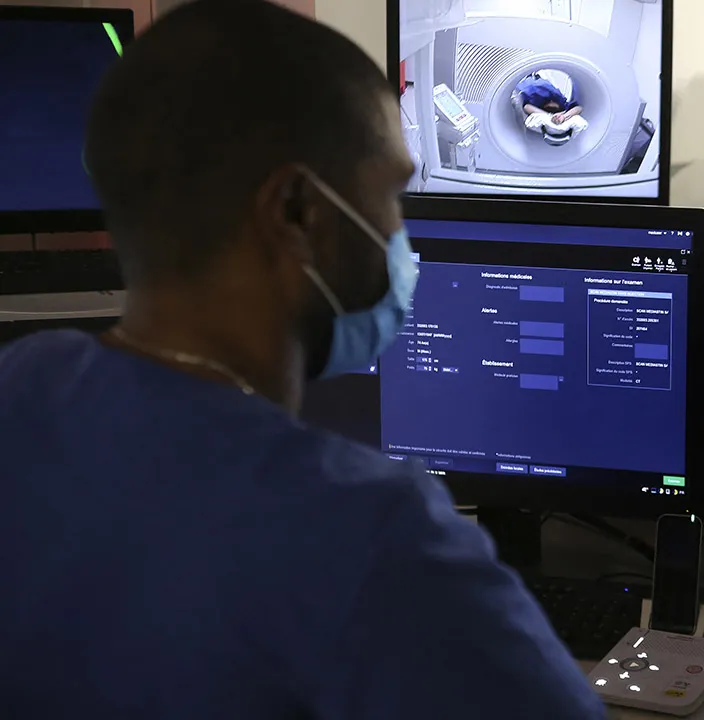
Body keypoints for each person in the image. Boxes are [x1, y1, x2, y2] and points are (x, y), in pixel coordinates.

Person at [0, 1, 605, 718]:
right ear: (295, 211)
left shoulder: (24, 383)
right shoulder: (373, 534)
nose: (401, 238)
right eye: (392, 195)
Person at [517, 72, 584, 125]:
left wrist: (550, 116)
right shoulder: (563, 105)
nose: (551, 102)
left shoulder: (538, 103)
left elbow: (526, 107)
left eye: (550, 105)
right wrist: (564, 116)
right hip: (544, 85)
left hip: (531, 83)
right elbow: (579, 108)